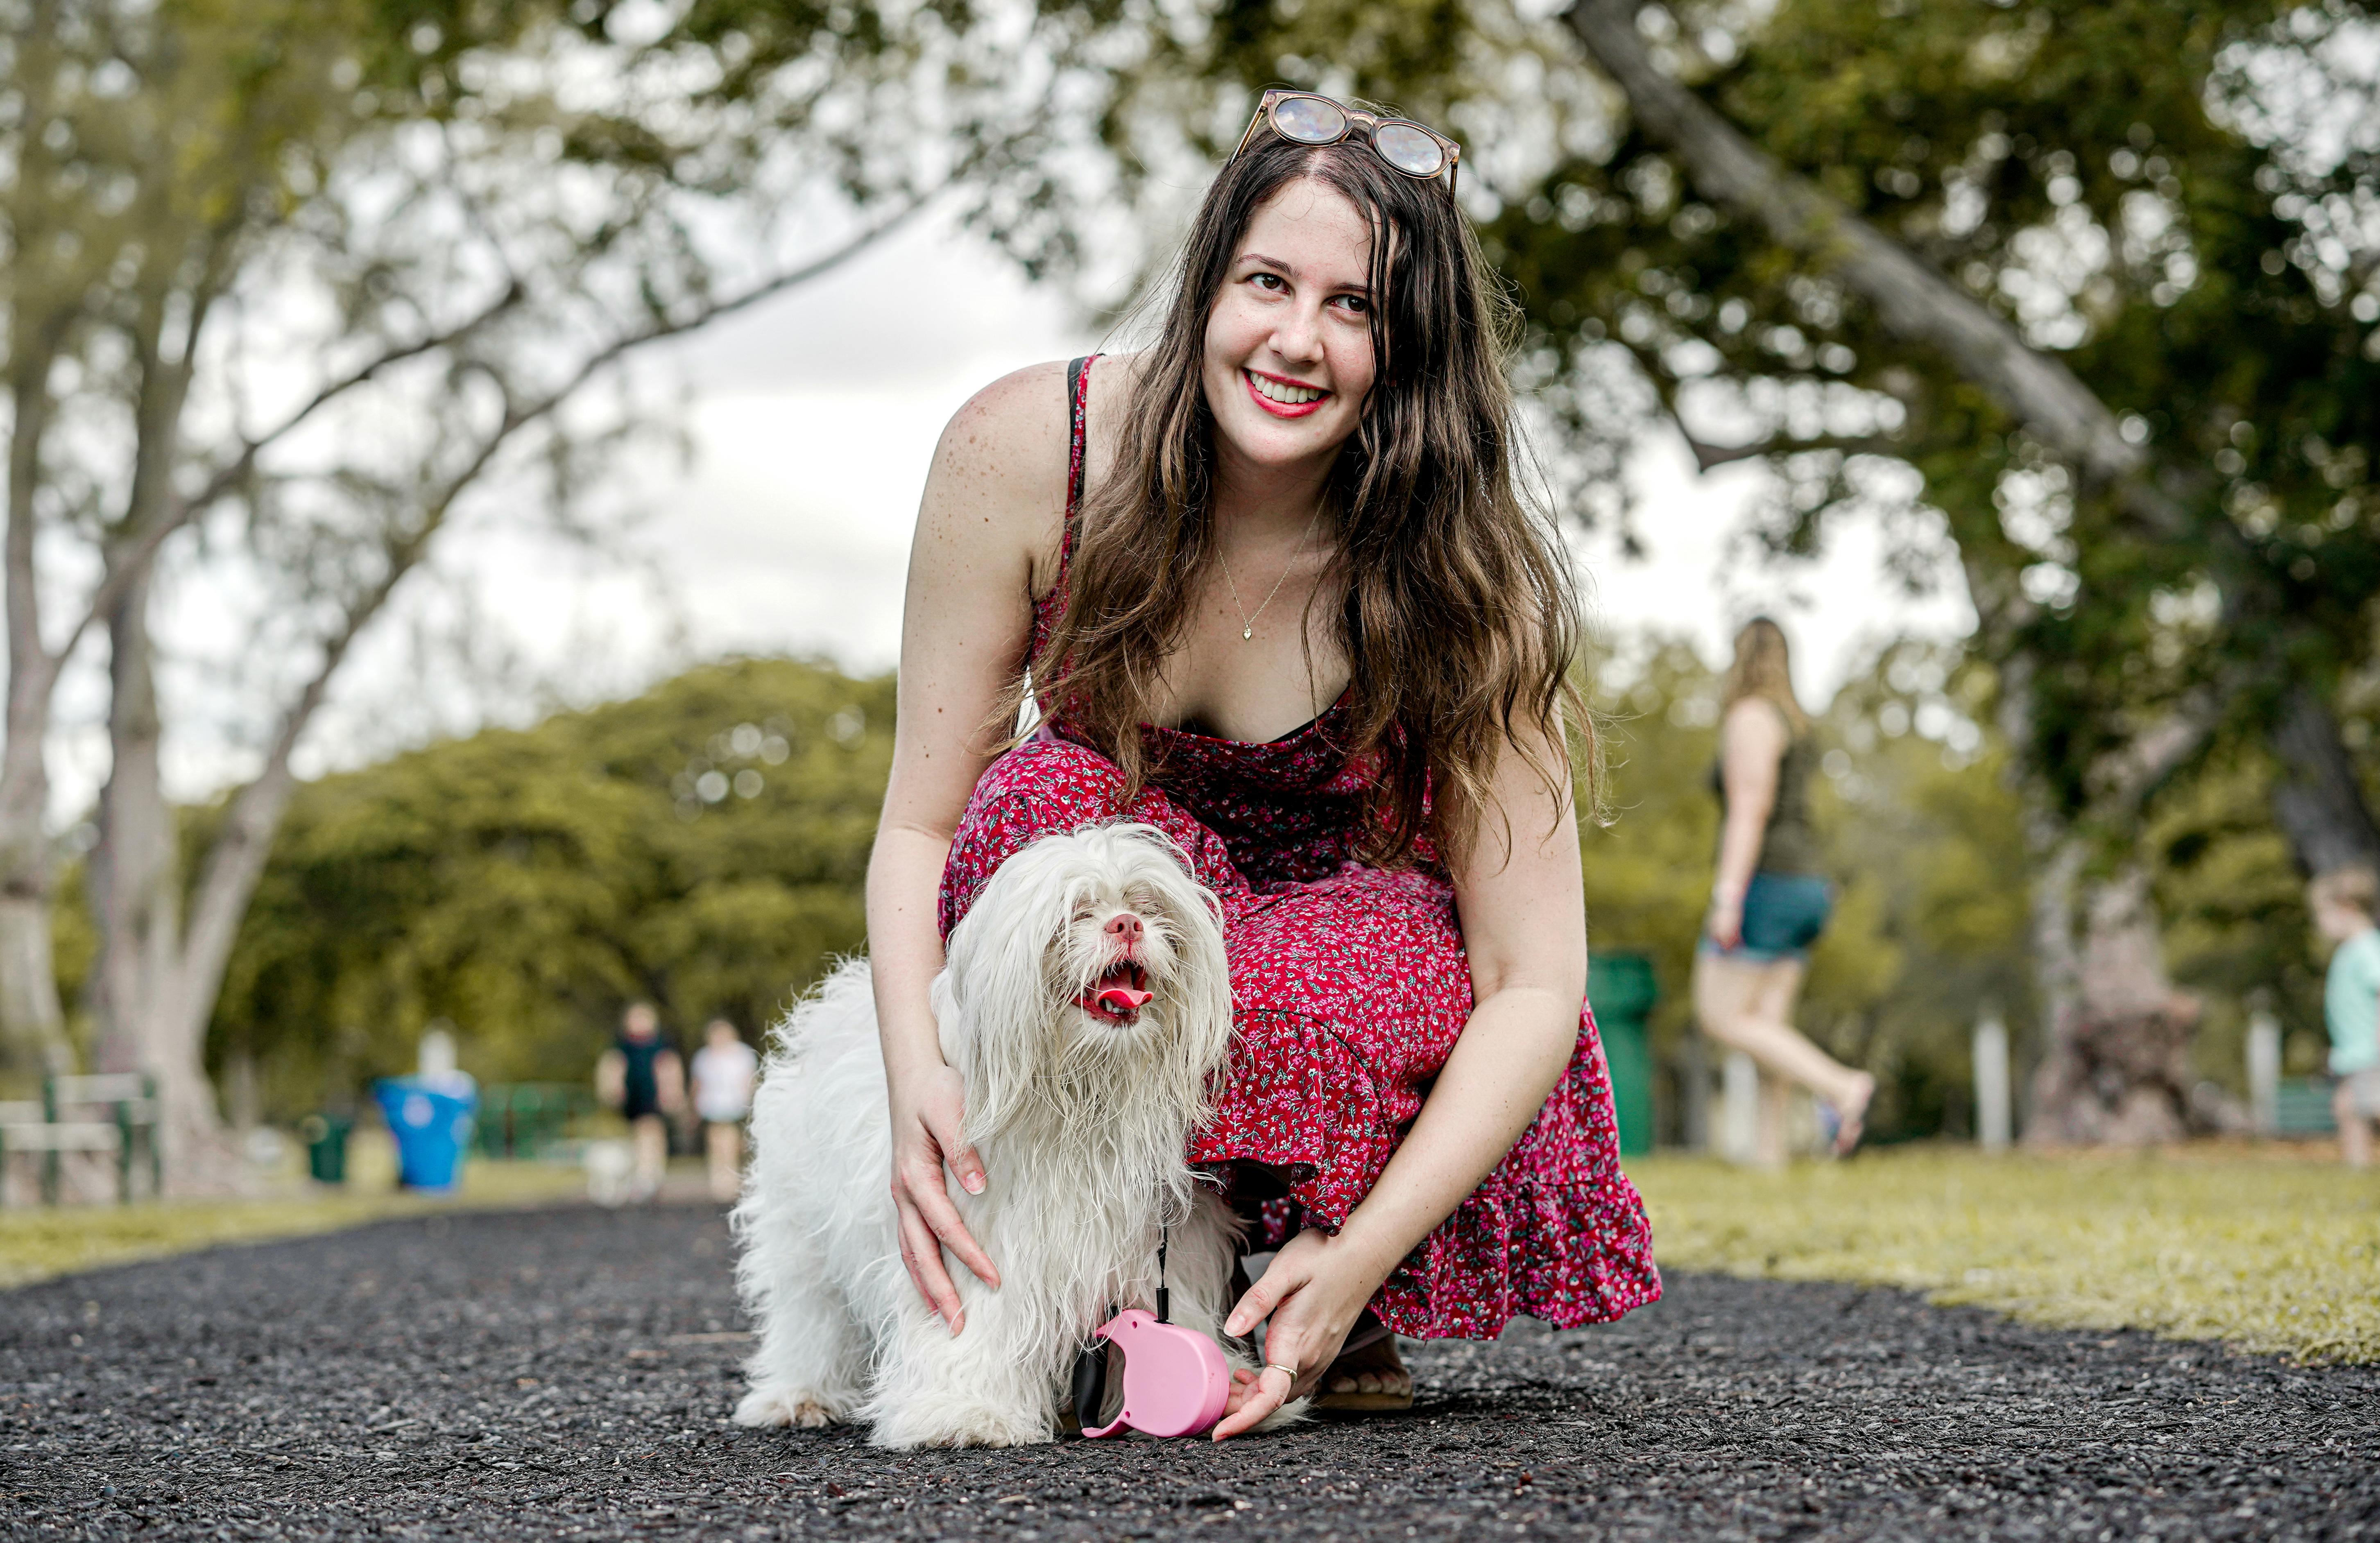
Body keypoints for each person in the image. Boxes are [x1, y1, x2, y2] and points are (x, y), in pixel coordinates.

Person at [867, 89, 1658, 1439]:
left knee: (1329, 973)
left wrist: (1357, 1263)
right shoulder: (1026, 454)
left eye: (1354, 306)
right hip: (1111, 927)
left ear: (1410, 347)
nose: (1297, 339)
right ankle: (1046, 1273)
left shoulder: (1462, 570)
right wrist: (915, 1080)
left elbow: (1534, 979)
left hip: (1334, 970)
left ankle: (1275, 1291)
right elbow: (918, 833)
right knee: (1045, 807)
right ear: (1204, 286)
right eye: (1267, 283)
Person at [1692, 618, 1874, 1162]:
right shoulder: (1794, 724)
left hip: (1768, 884)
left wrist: (1727, 895)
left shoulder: (1750, 717)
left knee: (1720, 1015)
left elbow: (1750, 809)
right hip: (1806, 887)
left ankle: (1842, 1087)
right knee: (1768, 1027)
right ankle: (1768, 1157)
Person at [2311, 866, 2380, 1168]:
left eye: (2323, 915)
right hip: (2353, 1051)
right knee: (2348, 1108)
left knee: (2367, 1107)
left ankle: (2357, 1166)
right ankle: (2357, 1167)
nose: (2319, 924)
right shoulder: (2350, 950)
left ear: (2347, 909)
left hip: (2370, 1050)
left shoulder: (2366, 949)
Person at [596, 1003, 684, 1201]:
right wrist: (612, 1089)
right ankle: (647, 1175)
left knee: (651, 1130)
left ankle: (649, 1175)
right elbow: (613, 1067)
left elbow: (671, 1068)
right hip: (634, 1095)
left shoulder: (661, 1045)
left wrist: (673, 1092)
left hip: (654, 1094)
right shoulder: (623, 1046)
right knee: (641, 1132)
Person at [690, 1018, 761, 1201]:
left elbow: (749, 1080)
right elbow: (698, 1084)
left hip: (734, 1106)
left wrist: (749, 1101)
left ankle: (730, 1179)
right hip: (712, 1106)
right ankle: (719, 1180)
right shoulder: (704, 1057)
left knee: (730, 1144)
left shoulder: (742, 1054)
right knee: (716, 1144)